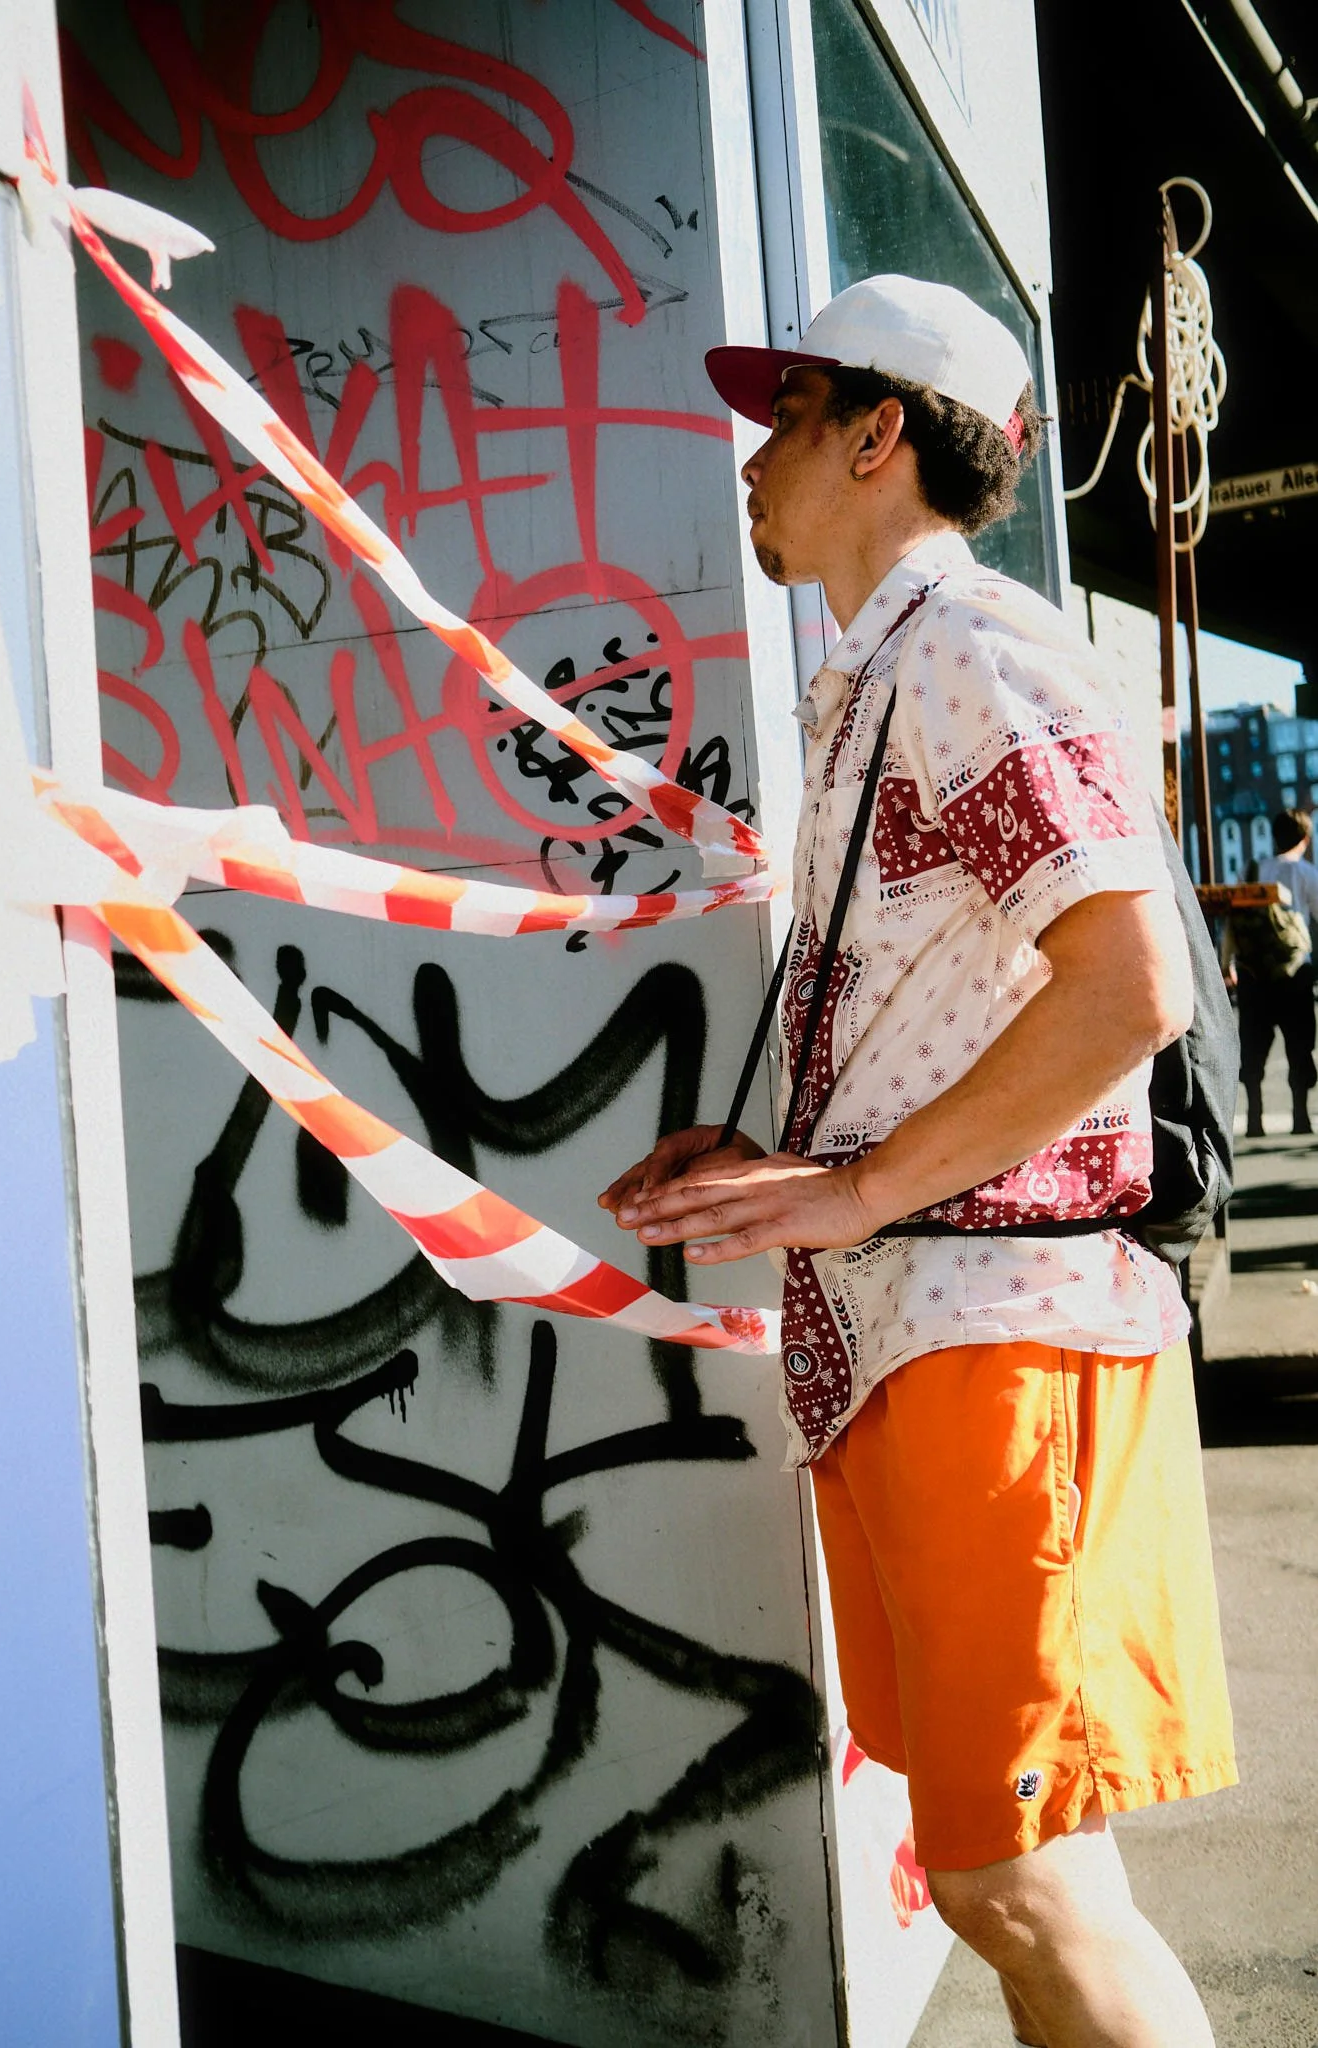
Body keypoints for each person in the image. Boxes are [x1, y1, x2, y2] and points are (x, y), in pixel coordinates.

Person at [599, 277, 1234, 2048]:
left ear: (878, 433)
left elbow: (1128, 986)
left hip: (992, 1329)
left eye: (790, 414)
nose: (755, 456)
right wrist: (797, 1164)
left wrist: (856, 1188)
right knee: (1004, 1874)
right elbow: (974, 1002)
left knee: (1018, 1880)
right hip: (923, 1329)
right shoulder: (893, 667)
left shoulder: (963, 650)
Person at [1223, 809, 1318, 1136]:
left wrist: (1227, 963)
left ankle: (1254, 1121)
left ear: (1274, 838)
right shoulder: (1305, 872)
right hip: (1294, 973)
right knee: (1299, 1046)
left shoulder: (1251, 870)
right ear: (1305, 839)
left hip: (1253, 974)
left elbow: (1233, 923)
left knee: (1253, 1049)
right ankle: (1301, 1118)